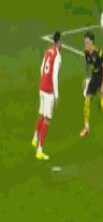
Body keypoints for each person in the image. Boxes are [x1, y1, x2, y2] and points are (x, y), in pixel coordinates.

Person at [32, 31, 62, 160]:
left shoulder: (47, 51)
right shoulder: (57, 56)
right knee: (47, 119)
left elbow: (41, 68)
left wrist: (43, 81)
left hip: (42, 87)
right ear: (58, 42)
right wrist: (56, 95)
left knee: (42, 114)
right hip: (49, 91)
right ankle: (39, 151)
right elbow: (54, 76)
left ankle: (35, 138)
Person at [80, 32, 103, 140]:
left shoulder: (99, 53)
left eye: (87, 42)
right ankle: (86, 127)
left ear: (92, 43)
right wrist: (86, 79)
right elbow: (87, 66)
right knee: (86, 102)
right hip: (94, 77)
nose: (85, 44)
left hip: (101, 77)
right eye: (85, 42)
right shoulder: (86, 53)